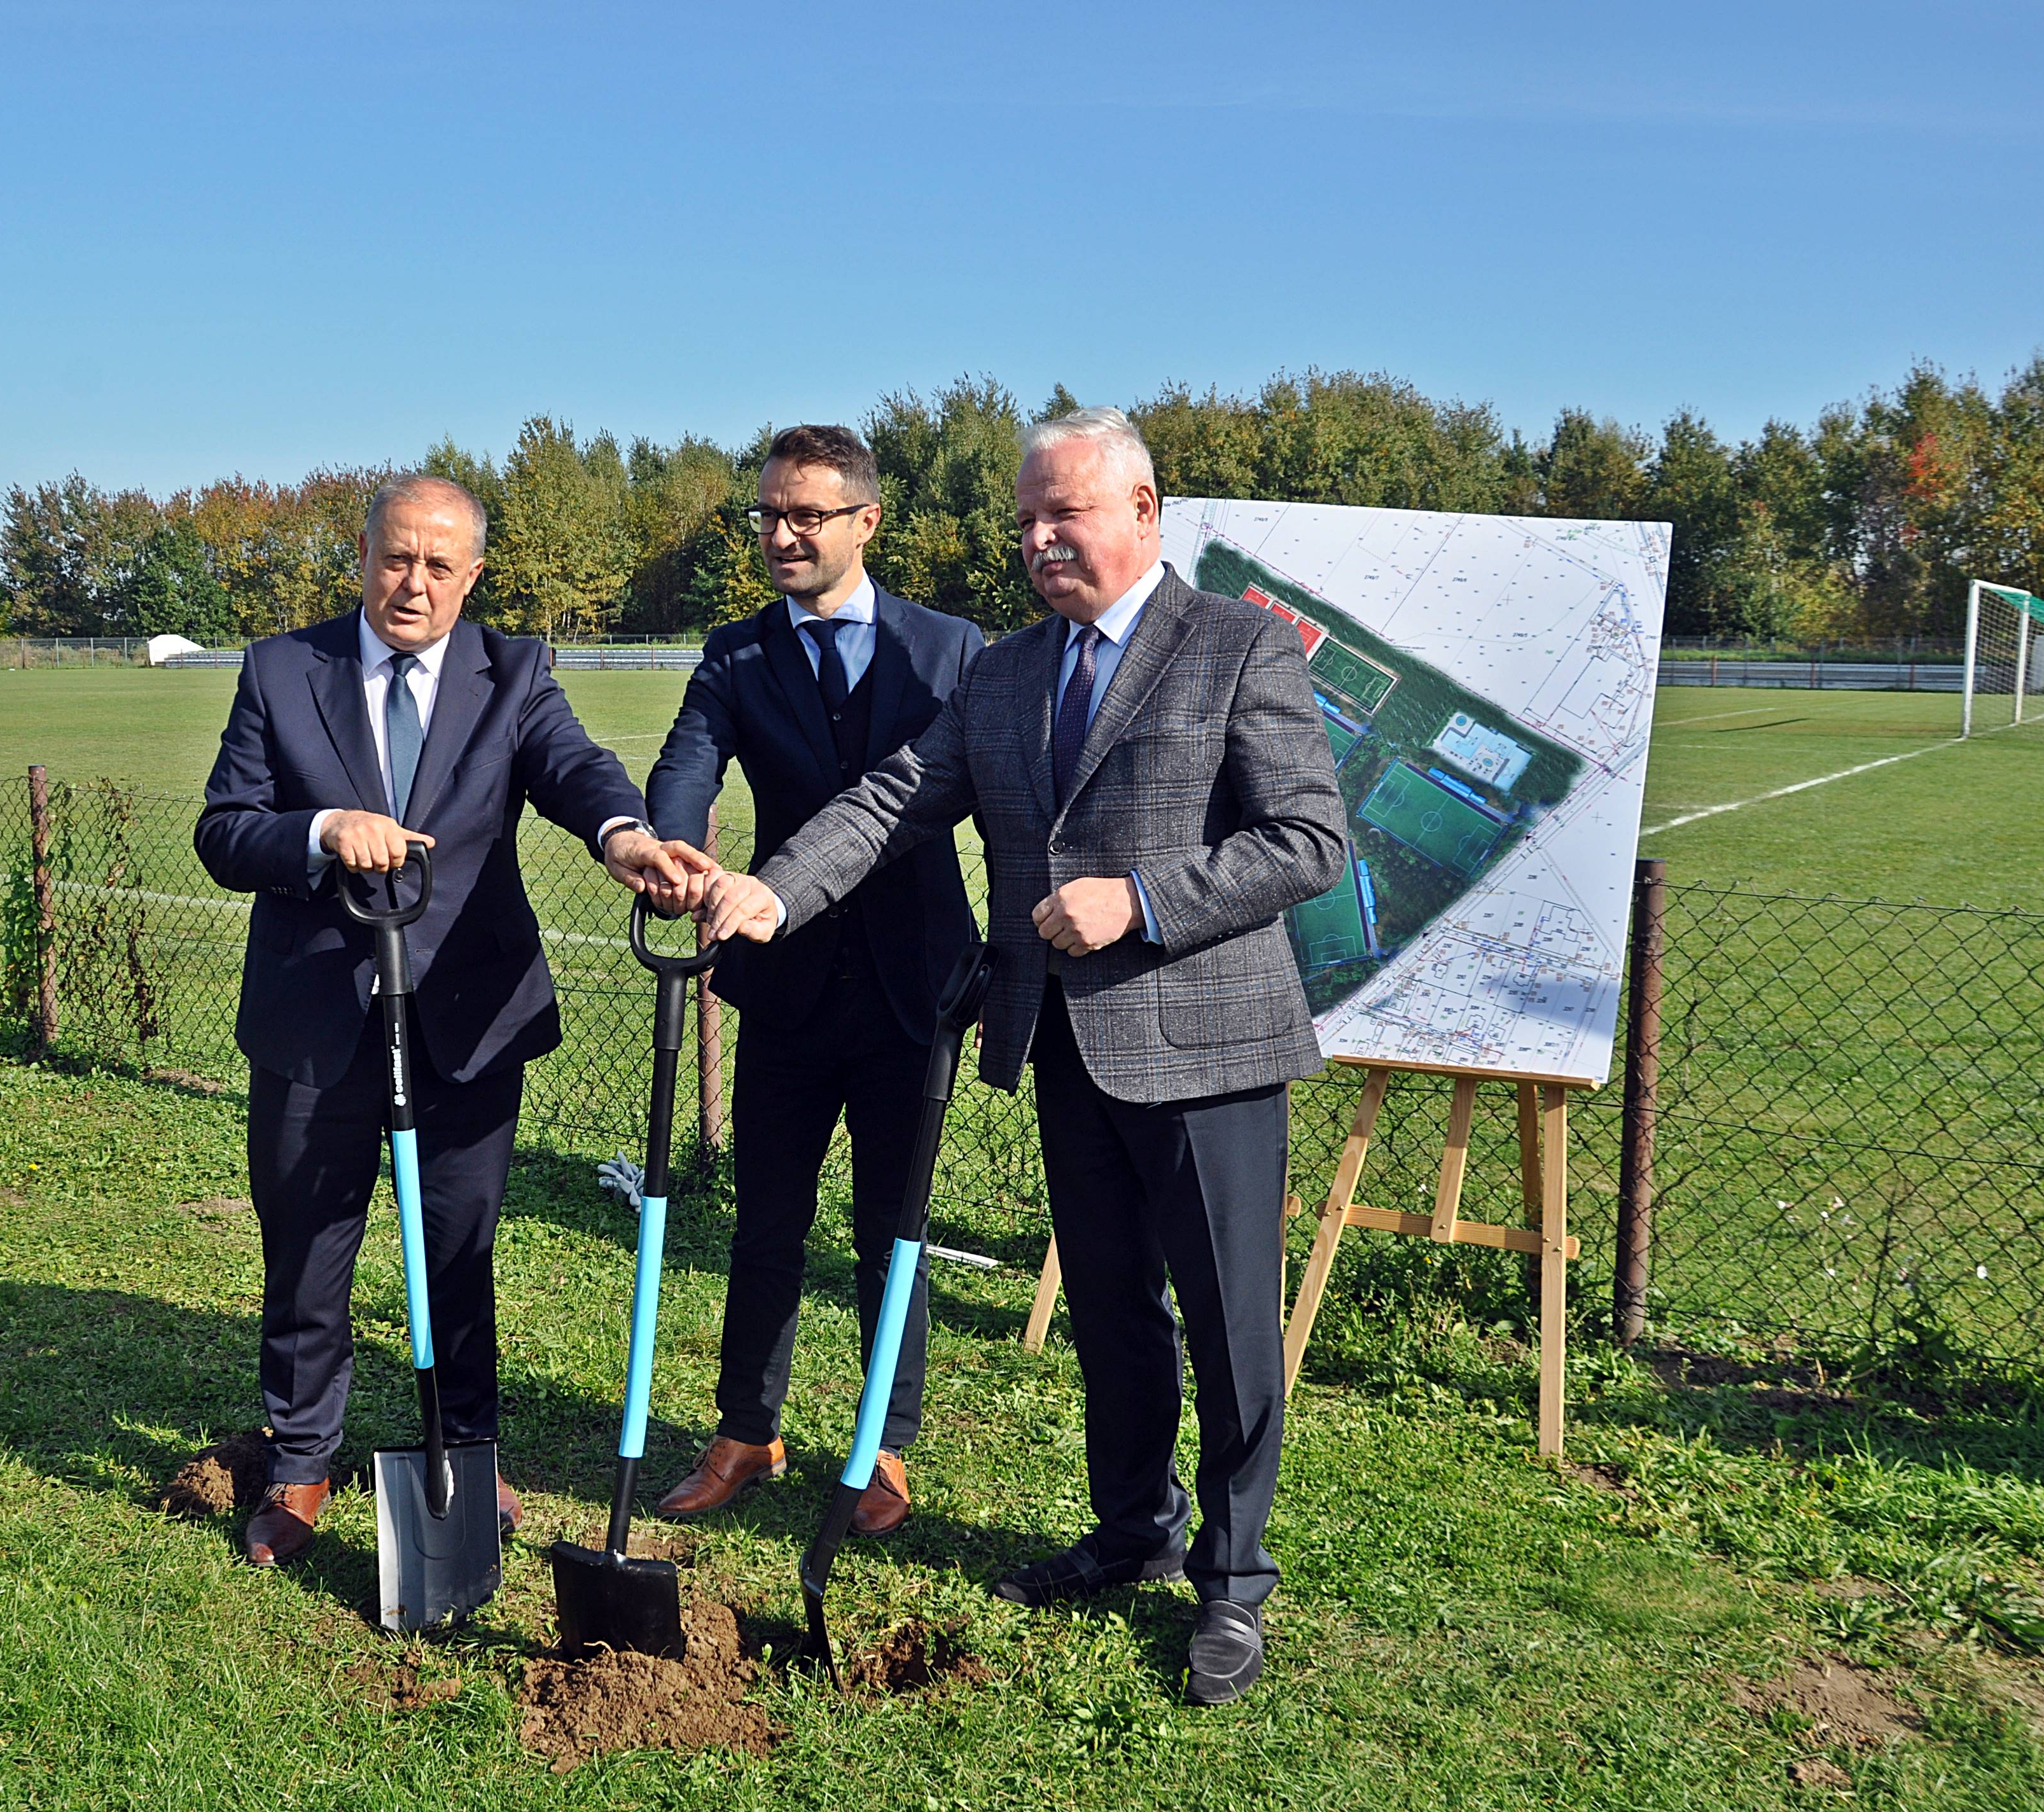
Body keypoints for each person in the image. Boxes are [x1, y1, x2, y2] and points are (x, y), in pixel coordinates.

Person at [699, 408, 1345, 1704]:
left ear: (1144, 511)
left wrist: (1140, 900)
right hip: (1063, 1044)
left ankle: (1231, 1579)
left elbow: (1309, 838)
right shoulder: (1001, 672)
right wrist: (773, 891)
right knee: (1109, 1307)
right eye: (1026, 522)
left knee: (1225, 1325)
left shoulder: (1234, 648)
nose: (1042, 539)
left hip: (1210, 1049)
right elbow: (894, 799)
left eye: (1068, 513)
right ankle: (1131, 1529)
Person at [195, 473, 710, 1568]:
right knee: (306, 1248)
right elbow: (225, 829)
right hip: (312, 1022)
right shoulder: (285, 670)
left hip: (467, 1020)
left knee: (459, 1247)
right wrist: (325, 830)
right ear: (364, 557)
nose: (413, 583)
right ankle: (299, 1464)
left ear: (472, 576)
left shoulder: (512, 671)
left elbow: (574, 768)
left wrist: (624, 837)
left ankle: (465, 1452)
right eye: (395, 558)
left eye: (439, 565)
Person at [639, 425, 984, 1535]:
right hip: (782, 983)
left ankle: (884, 1446)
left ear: (866, 522)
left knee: (896, 1226)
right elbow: (689, 757)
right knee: (767, 1220)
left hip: (911, 989)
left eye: (807, 516)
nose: (782, 535)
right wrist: (676, 848)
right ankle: (748, 1427)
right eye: (769, 515)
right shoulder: (738, 653)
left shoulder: (952, 650)